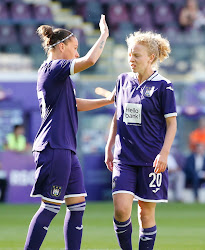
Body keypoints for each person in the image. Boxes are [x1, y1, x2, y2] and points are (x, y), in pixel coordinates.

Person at [24, 15, 112, 250]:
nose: (76, 53)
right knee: (50, 207)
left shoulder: (56, 75)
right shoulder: (54, 68)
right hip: (54, 146)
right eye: (74, 48)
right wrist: (103, 35)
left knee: (77, 205)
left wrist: (108, 101)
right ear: (60, 47)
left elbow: (75, 104)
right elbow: (90, 60)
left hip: (65, 149)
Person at [105, 30, 177, 250]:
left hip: (150, 160)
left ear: (151, 58)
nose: (131, 59)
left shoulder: (164, 86)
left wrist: (164, 153)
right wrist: (109, 147)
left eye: (136, 55)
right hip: (124, 157)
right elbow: (117, 117)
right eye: (129, 54)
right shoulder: (122, 80)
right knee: (121, 210)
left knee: (145, 214)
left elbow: (172, 124)